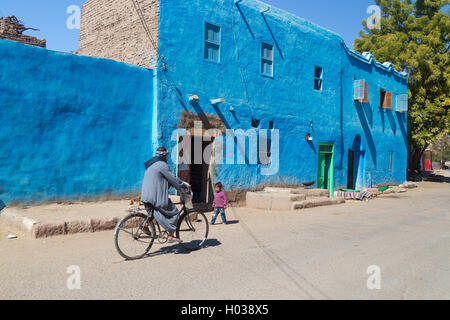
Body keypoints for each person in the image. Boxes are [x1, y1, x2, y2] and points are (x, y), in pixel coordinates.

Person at [141, 147, 190, 243]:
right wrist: (184, 185)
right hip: (155, 197)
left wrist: (176, 184)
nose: (167, 156)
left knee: (154, 212)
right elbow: (173, 179)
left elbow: (165, 180)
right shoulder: (162, 165)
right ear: (164, 155)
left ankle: (145, 224)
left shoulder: (152, 164)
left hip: (145, 195)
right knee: (174, 212)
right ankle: (171, 236)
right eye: (167, 155)